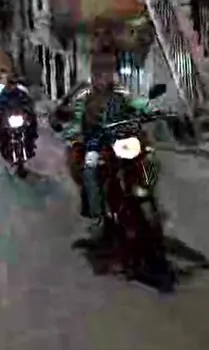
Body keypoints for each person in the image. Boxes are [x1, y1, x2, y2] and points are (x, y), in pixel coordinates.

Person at [62, 42, 149, 219]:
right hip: (96, 143)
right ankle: (97, 215)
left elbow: (137, 103)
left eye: (108, 71)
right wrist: (73, 134)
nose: (104, 76)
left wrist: (151, 109)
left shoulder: (120, 93)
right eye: (100, 71)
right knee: (90, 169)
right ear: (93, 73)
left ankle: (146, 194)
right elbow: (75, 118)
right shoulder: (84, 95)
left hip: (121, 139)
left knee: (145, 155)